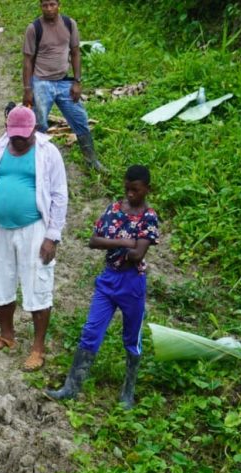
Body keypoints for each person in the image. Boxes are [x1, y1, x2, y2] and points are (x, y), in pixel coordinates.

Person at [47, 165, 158, 409]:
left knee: (131, 337)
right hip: (109, 279)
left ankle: (127, 392)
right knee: (91, 330)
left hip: (132, 283)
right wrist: (123, 241)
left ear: (147, 189)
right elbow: (93, 241)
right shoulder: (114, 208)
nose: (130, 194)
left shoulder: (149, 217)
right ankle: (71, 387)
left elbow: (138, 254)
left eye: (135, 190)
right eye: (127, 189)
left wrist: (115, 244)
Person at [0, 105, 68, 371]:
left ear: (33, 129)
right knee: (1, 280)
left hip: (33, 228)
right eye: (14, 135)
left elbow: (59, 196)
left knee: (37, 285)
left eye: (23, 135)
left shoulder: (48, 153)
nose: (18, 140)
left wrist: (52, 237)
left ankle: (37, 348)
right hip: (0, 228)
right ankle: (7, 335)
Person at [22, 0, 105, 171]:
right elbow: (28, 60)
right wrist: (28, 89)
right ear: (41, 6)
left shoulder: (69, 24)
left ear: (59, 5)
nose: (49, 8)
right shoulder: (34, 28)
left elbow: (75, 53)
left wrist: (77, 81)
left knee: (80, 120)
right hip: (41, 82)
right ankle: (37, 164)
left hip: (64, 82)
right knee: (39, 125)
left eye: (52, 4)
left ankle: (92, 161)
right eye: (45, 5)